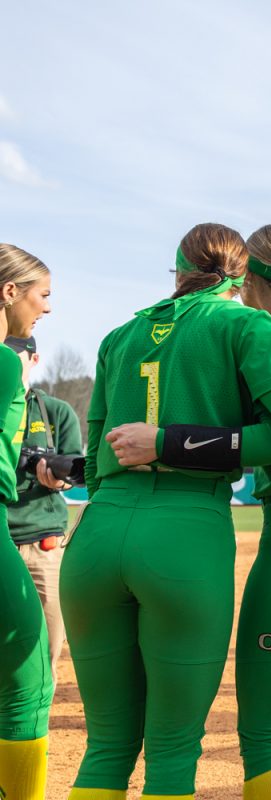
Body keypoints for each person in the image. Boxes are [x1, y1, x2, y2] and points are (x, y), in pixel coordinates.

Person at [61, 224, 271, 800]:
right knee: (172, 749)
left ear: (177, 270)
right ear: (242, 276)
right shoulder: (248, 325)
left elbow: (95, 461)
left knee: (106, 747)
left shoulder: (120, 335)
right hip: (185, 534)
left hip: (96, 533)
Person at [0, 244, 54, 800]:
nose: (47, 308)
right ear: (9, 291)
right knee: (29, 684)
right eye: (42, 294)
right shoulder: (2, 361)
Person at [7, 335, 82, 676]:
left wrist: (57, 477)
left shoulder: (55, 410)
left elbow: (72, 469)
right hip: (2, 537)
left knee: (48, 647)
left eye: (14, 356)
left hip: (43, 544)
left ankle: (34, 724)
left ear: (33, 360)